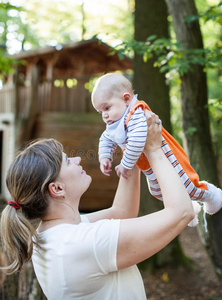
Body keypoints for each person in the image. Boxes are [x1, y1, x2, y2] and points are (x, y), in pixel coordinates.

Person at [0, 111, 194, 299]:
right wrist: (153, 148)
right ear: (57, 188)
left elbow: (122, 212)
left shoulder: (57, 233)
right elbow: (181, 212)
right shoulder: (81, 243)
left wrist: (131, 148)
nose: (77, 160)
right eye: (68, 161)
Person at [91, 72, 222, 224]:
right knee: (158, 192)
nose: (104, 116)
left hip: (166, 157)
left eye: (107, 108)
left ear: (126, 99)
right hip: (148, 165)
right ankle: (187, 205)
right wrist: (104, 157)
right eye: (100, 112)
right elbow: (106, 138)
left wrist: (125, 165)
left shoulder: (136, 114)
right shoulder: (115, 121)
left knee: (188, 185)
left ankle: (211, 194)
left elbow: (137, 141)